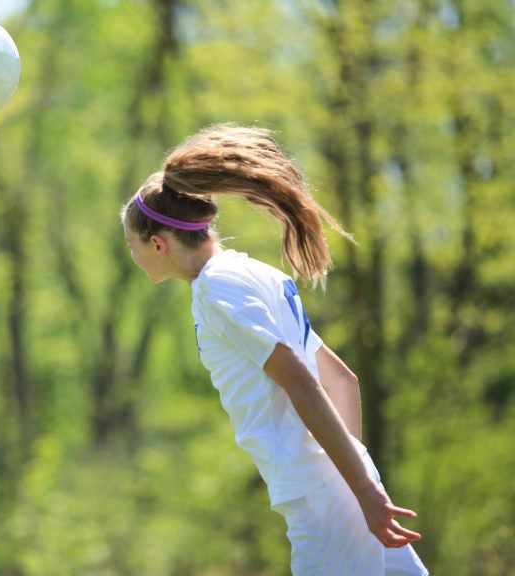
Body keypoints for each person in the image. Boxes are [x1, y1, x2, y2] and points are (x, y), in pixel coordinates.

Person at [121, 124, 428, 575]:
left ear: (158, 243)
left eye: (131, 245)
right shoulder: (254, 273)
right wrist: (355, 478)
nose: (133, 255)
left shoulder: (215, 290)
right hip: (341, 484)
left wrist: (358, 491)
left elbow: (302, 380)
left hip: (321, 497)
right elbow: (342, 378)